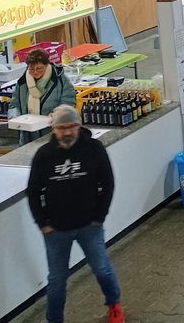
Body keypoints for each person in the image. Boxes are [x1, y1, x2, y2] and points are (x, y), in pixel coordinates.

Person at [27, 105, 124, 323]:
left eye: (71, 126)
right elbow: (33, 191)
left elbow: (108, 183)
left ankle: (114, 303)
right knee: (56, 281)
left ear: (79, 126)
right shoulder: (44, 155)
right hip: (56, 230)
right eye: (62, 128)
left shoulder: (94, 149)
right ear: (54, 128)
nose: (67, 132)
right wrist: (42, 223)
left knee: (102, 269)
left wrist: (99, 217)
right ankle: (54, 320)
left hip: (89, 226)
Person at [8, 48, 77, 144]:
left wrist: (55, 117)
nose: (35, 72)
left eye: (39, 68)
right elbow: (14, 105)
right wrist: (15, 117)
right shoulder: (22, 83)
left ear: (47, 65)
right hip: (28, 137)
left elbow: (68, 103)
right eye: (31, 69)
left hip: (53, 135)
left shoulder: (60, 81)